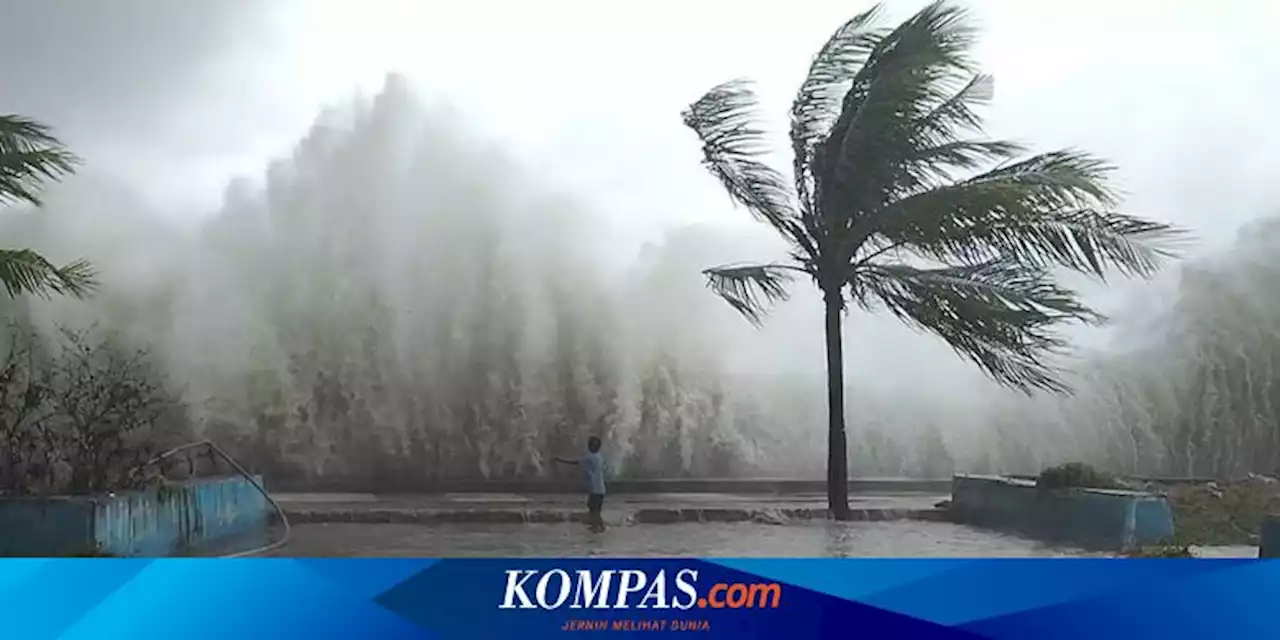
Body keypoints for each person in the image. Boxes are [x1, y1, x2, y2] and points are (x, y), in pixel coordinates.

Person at [554, 436, 607, 532]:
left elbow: (575, 462)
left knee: (593, 508)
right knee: (594, 508)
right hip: (600, 489)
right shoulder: (599, 457)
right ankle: (598, 525)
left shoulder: (589, 457)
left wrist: (560, 460)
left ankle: (599, 526)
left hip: (595, 489)